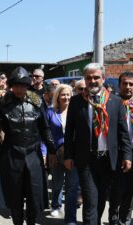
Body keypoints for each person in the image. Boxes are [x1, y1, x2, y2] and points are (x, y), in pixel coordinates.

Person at [64, 63, 132, 225]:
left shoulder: (115, 102)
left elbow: (123, 133)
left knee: (101, 198)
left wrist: (127, 155)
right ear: (85, 80)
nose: (92, 81)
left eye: (96, 77)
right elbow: (69, 132)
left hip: (109, 160)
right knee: (90, 200)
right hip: (86, 160)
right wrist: (68, 155)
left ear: (103, 78)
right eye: (89, 78)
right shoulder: (76, 102)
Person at [0, 66, 55, 225]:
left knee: (34, 196)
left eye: (22, 85)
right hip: (12, 155)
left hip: (33, 155)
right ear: (11, 86)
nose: (19, 89)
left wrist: (52, 151)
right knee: (15, 198)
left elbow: (45, 128)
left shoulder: (37, 101)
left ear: (27, 85)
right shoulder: (3, 103)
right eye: (16, 85)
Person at [109, 71, 133, 225]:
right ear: (119, 84)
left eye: (131, 84)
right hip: (118, 153)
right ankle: (113, 218)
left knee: (130, 190)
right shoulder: (112, 103)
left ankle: (124, 220)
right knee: (117, 188)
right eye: (125, 83)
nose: (128, 87)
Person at [45, 84, 80, 224]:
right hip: (55, 153)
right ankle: (56, 205)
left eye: (68, 94)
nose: (66, 97)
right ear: (57, 96)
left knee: (72, 186)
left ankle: (70, 217)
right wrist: (47, 152)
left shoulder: (76, 110)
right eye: (63, 94)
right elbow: (45, 133)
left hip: (73, 153)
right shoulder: (50, 112)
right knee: (57, 182)